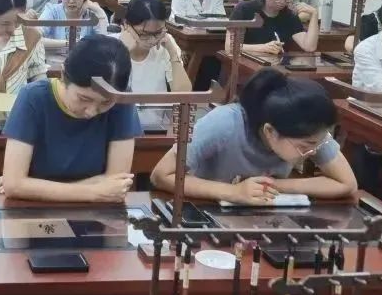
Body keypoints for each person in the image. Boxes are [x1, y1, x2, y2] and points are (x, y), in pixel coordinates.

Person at [150, 67, 358, 204]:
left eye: (317, 144)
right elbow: (161, 175)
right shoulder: (224, 123)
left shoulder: (309, 131)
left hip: (259, 215)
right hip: (204, 209)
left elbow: (347, 184)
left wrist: (273, 186)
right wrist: (234, 192)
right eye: (305, 147)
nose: (312, 151)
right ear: (270, 131)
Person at [0, 34, 141, 202]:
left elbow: (117, 183)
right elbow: (14, 185)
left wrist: (32, 187)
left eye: (105, 103)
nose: (91, 112)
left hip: (96, 212)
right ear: (63, 76)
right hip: (35, 209)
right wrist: (95, 192)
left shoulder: (121, 101)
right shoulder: (33, 98)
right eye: (84, 99)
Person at [231, 0, 319, 55]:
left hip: (275, 62)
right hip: (245, 61)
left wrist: (314, 14)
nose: (283, 1)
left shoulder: (289, 17)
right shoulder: (244, 9)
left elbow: (309, 47)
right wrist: (263, 48)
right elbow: (230, 46)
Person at [117, 0, 192, 93]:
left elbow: (183, 93)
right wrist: (122, 53)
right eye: (144, 34)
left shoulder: (166, 42)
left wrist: (173, 54)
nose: (152, 40)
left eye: (158, 32)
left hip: (158, 103)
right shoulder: (110, 45)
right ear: (126, 25)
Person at [38, 0, 107, 49]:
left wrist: (99, 11)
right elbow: (36, 39)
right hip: (54, 57)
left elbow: (104, 45)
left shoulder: (92, 13)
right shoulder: (52, 11)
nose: (71, 1)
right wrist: (69, 43)